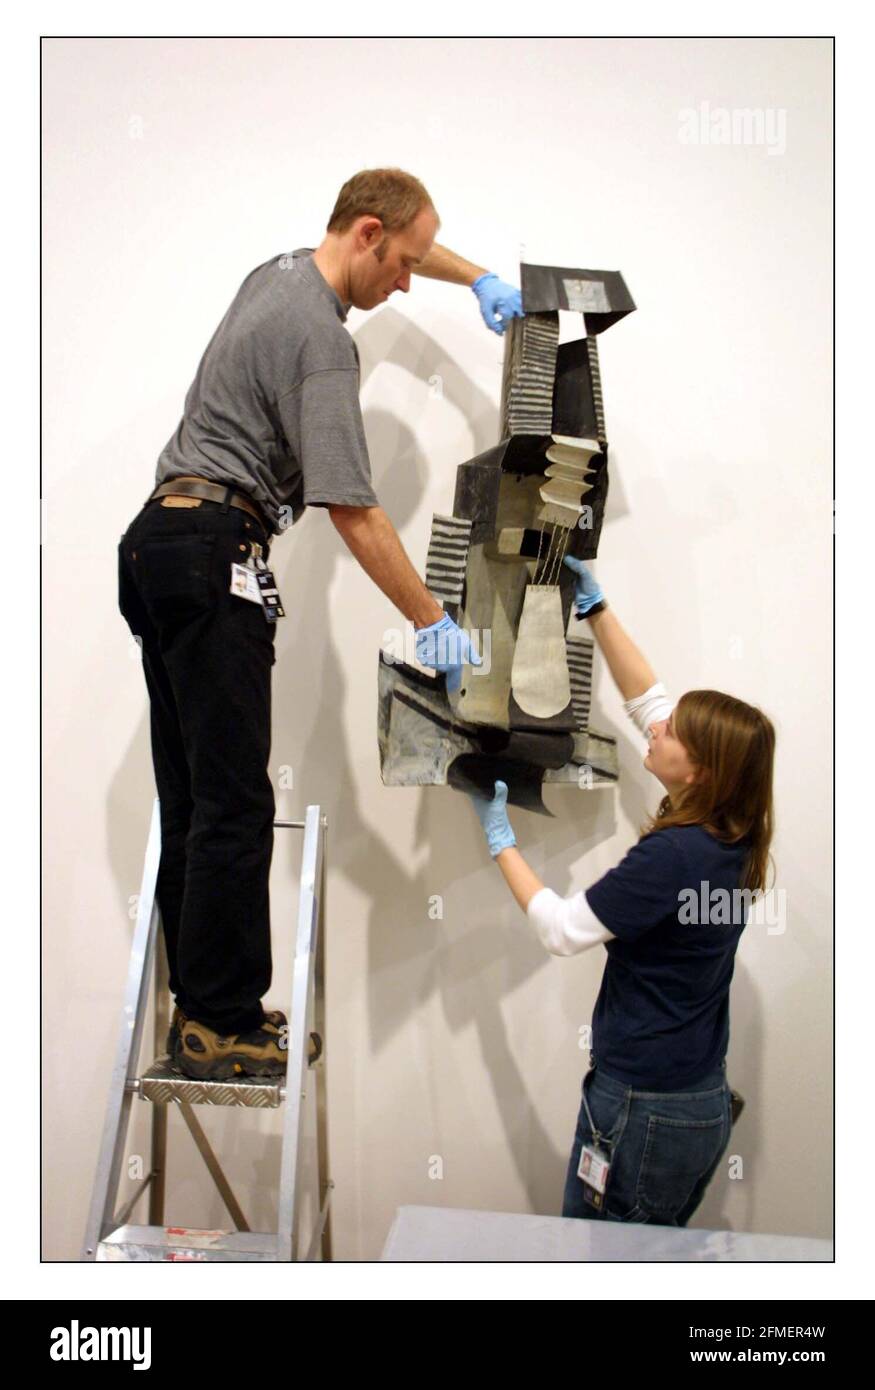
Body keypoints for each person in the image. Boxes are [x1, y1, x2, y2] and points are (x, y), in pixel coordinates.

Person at [117, 167, 522, 1081]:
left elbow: (403, 233)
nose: (407, 284)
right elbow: (351, 508)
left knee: (194, 799)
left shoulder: (277, 272)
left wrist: (479, 276)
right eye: (406, 264)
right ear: (368, 233)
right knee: (235, 800)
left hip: (156, 547)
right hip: (215, 547)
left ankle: (199, 1012)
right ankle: (222, 1021)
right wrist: (432, 622)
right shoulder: (323, 344)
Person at [466, 556, 776, 1226]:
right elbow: (650, 702)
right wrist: (596, 608)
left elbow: (561, 930)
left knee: (606, 1274)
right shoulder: (736, 829)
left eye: (672, 736)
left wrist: (498, 838)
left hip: (643, 1111)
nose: (655, 729)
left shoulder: (673, 856)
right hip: (693, 1098)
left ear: (698, 770)